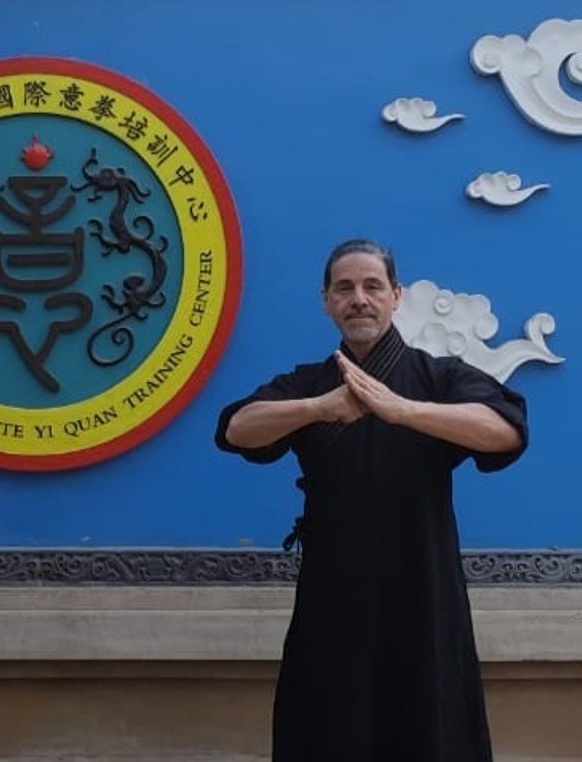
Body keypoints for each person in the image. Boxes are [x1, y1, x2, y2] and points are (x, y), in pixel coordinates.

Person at [216, 238, 528, 762]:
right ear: (326, 301)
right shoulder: (309, 383)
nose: (358, 298)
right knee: (327, 728)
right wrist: (319, 407)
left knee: (428, 727)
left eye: (372, 286)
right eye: (344, 288)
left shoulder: (438, 377)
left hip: (423, 592)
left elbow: (505, 431)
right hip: (332, 596)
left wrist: (404, 410)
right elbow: (237, 429)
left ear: (395, 296)